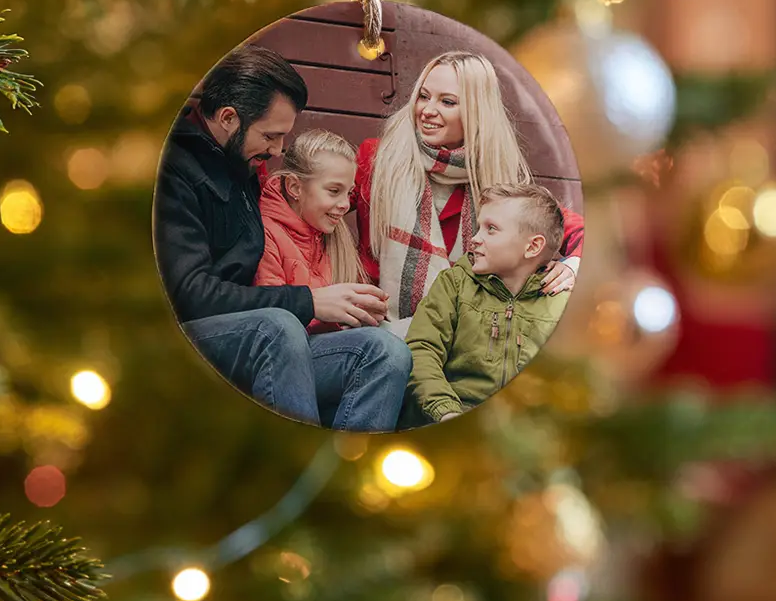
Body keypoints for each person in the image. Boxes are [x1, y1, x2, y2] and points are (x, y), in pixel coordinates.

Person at [153, 44, 412, 432]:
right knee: (277, 327)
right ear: (228, 118)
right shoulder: (173, 172)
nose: (277, 150)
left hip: (270, 341)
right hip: (198, 338)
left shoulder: (242, 168)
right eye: (270, 136)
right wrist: (310, 302)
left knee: (385, 351)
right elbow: (188, 294)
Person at [353, 50, 584, 337]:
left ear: (475, 112)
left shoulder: (495, 177)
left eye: (447, 102)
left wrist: (574, 264)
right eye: (424, 96)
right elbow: (312, 202)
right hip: (379, 330)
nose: (427, 110)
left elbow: (568, 226)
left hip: (462, 332)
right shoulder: (380, 157)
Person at [404, 183, 567, 424]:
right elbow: (421, 349)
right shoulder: (455, 283)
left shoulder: (559, 302)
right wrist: (445, 410)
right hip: (448, 416)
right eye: (479, 227)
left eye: (491, 229)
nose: (474, 239)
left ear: (533, 246)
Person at [254, 129, 370, 338]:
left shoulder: (335, 237)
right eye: (334, 191)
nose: (345, 204)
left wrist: (362, 311)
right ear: (294, 187)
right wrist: (330, 314)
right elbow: (271, 321)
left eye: (349, 193)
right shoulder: (266, 234)